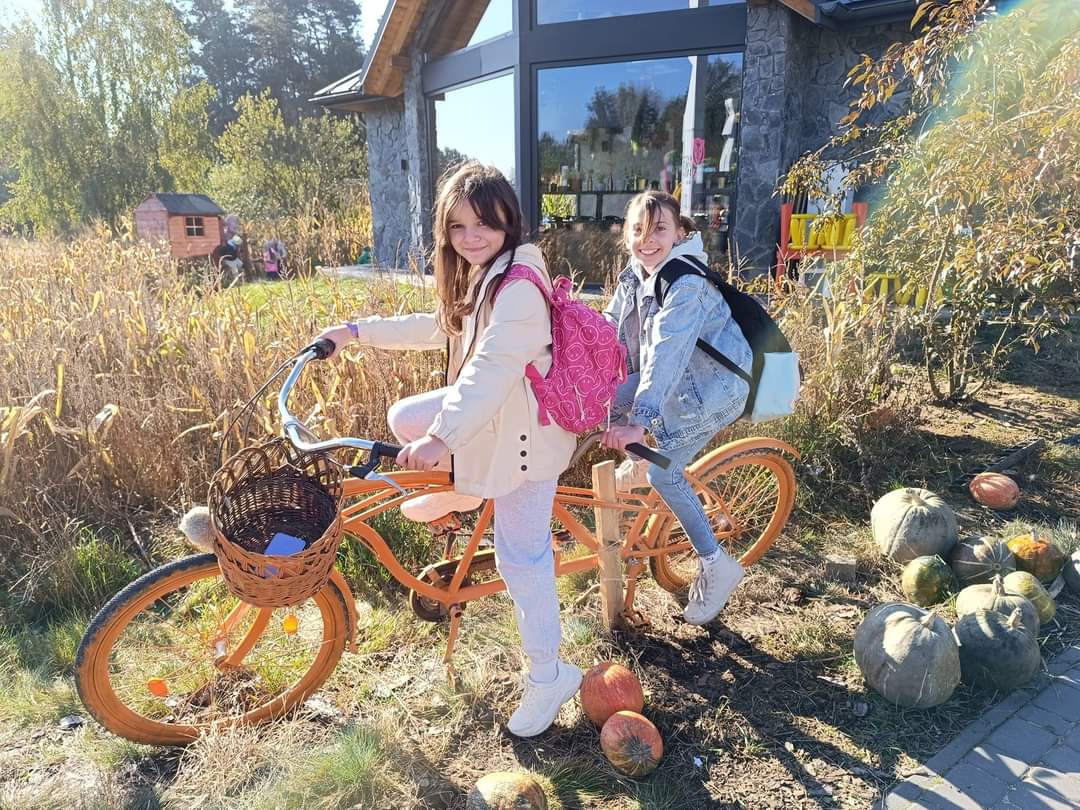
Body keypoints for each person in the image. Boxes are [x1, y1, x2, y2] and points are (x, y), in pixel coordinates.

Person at [314, 162, 581, 737]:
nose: (471, 236)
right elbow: (439, 325)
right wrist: (355, 332)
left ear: (509, 219)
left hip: (529, 438)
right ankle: (466, 489)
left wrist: (443, 439)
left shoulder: (519, 288)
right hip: (496, 416)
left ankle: (549, 675)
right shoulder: (485, 275)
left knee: (521, 558)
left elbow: (492, 368)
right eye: (458, 226)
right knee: (404, 417)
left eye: (483, 222)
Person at [600, 190, 752, 626]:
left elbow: (665, 353)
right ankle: (639, 461)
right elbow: (607, 327)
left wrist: (639, 423)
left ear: (680, 233)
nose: (647, 240)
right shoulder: (636, 274)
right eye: (637, 230)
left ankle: (716, 564)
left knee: (663, 473)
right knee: (595, 403)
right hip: (677, 382)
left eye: (659, 229)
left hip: (714, 388)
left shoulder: (686, 284)